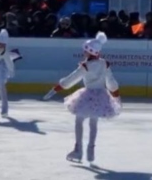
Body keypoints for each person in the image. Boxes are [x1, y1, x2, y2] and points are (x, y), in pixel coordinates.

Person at [42, 32, 121, 164]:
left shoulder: (86, 66)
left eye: (85, 51)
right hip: (101, 95)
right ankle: (91, 150)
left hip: (88, 95)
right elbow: (111, 81)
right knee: (93, 123)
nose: (84, 53)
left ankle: (78, 150)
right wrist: (115, 93)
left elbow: (71, 80)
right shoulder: (104, 64)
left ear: (90, 52)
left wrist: (56, 88)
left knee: (79, 120)